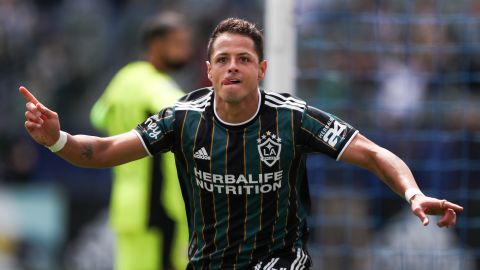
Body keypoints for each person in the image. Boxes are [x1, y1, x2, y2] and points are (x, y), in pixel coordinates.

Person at [20, 18, 463, 269]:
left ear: (262, 69)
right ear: (209, 71)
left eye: (244, 59)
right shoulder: (183, 119)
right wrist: (57, 138)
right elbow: (98, 151)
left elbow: (372, 152)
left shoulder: (293, 118)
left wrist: (413, 192)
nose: (233, 67)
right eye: (223, 60)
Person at [89, 12, 192, 270]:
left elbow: (98, 116)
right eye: (178, 43)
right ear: (156, 44)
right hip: (158, 206)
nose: (185, 50)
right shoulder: (155, 85)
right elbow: (184, 113)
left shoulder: (125, 77)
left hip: (126, 204)